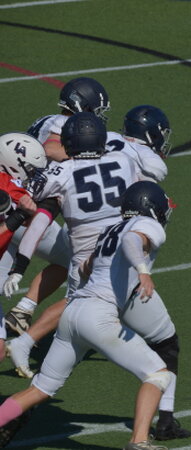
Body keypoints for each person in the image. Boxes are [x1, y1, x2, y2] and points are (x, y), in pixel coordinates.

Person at [5, 110, 190, 440]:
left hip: (85, 272)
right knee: (161, 354)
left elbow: (40, 209)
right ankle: (151, 430)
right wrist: (143, 271)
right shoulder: (126, 165)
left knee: (52, 374)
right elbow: (146, 191)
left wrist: (20, 265)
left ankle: (17, 399)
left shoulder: (63, 172)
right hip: (120, 273)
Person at [0, 181, 176, 450]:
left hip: (72, 312)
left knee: (40, 390)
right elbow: (131, 240)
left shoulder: (110, 228)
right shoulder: (146, 225)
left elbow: (86, 266)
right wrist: (142, 271)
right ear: (152, 207)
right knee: (158, 375)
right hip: (99, 315)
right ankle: (139, 441)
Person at [3, 76, 110, 336]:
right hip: (28, 211)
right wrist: (87, 155)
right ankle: (23, 310)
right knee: (68, 260)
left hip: (14, 207)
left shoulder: (48, 118)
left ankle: (17, 317)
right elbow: (50, 148)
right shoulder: (63, 123)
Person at [0, 132, 47, 362]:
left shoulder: (9, 186)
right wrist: (19, 215)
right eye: (29, 169)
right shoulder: (7, 191)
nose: (32, 175)